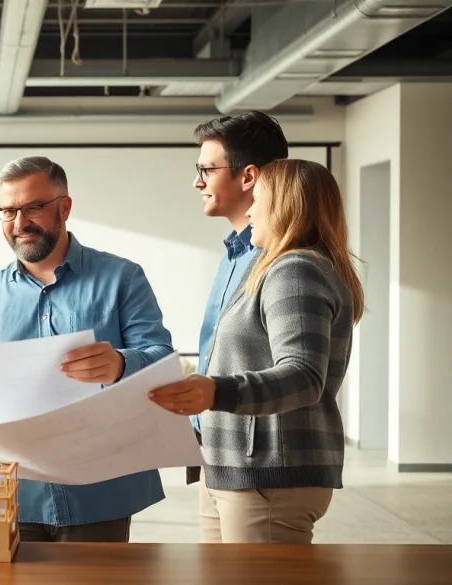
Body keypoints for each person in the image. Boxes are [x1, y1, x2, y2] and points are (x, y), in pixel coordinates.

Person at [0, 156, 174, 543]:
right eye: (8, 211)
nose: (20, 223)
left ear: (65, 207)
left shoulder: (122, 278)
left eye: (33, 207)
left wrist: (119, 363)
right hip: (16, 491)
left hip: (101, 490)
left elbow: (160, 359)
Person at [149, 159, 363, 544]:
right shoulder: (278, 267)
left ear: (286, 206)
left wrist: (214, 391)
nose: (249, 210)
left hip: (267, 478)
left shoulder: (295, 270)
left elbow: (303, 375)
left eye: (258, 199)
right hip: (233, 470)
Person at [189, 111, 289, 444]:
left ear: (248, 177)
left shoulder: (279, 261)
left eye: (207, 169)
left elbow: (299, 375)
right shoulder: (232, 256)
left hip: (256, 461)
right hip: (215, 451)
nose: (197, 181)